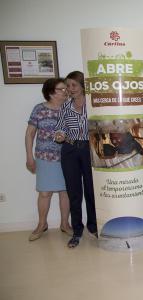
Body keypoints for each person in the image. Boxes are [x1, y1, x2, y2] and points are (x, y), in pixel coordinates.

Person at [54, 71, 97, 248]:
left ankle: (93, 228)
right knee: (74, 193)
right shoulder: (65, 106)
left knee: (91, 191)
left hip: (89, 150)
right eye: (67, 86)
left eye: (73, 85)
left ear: (82, 86)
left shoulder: (93, 104)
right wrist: (59, 135)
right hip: (70, 150)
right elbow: (60, 127)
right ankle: (77, 231)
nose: (70, 89)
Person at [25, 78, 72, 241]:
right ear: (51, 92)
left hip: (66, 157)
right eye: (62, 89)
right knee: (45, 193)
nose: (66, 91)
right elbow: (30, 133)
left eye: (66, 89)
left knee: (65, 192)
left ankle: (65, 224)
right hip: (44, 157)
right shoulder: (39, 109)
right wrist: (29, 157)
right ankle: (42, 224)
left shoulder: (70, 108)